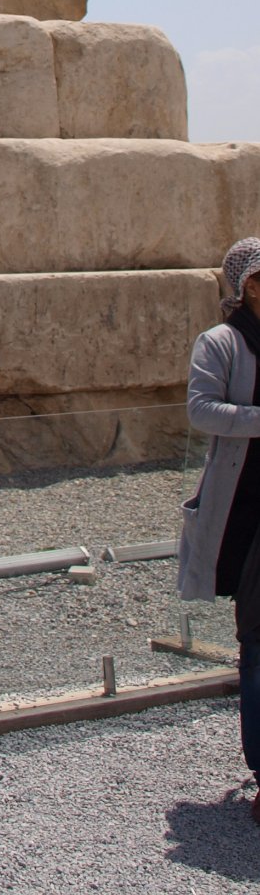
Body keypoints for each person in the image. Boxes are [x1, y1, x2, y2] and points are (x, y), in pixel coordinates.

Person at [181, 237, 260, 817]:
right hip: (249, 512)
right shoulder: (222, 343)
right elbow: (201, 408)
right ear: (246, 286)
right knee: (258, 645)